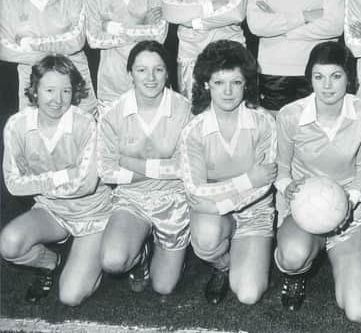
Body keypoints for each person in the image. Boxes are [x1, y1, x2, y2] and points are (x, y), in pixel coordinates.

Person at [274, 41, 361, 322]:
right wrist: (287, 187)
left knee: (358, 311)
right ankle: (297, 273)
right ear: (310, 78)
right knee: (293, 255)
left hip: (348, 210)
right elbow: (280, 169)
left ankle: (342, 259)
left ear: (349, 78)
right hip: (303, 209)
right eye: (319, 77)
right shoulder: (290, 115)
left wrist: (349, 202)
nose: (327, 86)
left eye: (336, 76)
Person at [0, 55, 111, 305]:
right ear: (34, 90)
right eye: (49, 90)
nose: (57, 99)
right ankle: (50, 262)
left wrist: (38, 181)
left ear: (74, 93)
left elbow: (86, 184)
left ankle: (127, 250)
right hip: (51, 210)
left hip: (91, 213)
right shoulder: (16, 125)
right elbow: (13, 184)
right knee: (9, 243)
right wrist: (64, 175)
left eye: (65, 91)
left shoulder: (86, 124)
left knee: (71, 296)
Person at [180, 40, 277, 305]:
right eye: (219, 82)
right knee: (207, 239)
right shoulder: (194, 130)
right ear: (205, 84)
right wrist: (245, 180)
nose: (228, 92)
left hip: (253, 209)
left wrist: (222, 203)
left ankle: (244, 259)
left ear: (247, 84)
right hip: (212, 210)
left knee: (248, 294)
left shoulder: (263, 121)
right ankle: (222, 266)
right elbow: (196, 189)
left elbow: (264, 184)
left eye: (236, 82)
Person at [97, 41, 191, 295]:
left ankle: (162, 244)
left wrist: (129, 163)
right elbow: (106, 171)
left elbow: (185, 168)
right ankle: (140, 257)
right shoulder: (112, 114)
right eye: (141, 70)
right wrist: (158, 169)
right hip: (132, 198)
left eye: (158, 70)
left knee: (164, 287)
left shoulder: (184, 109)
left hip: (174, 199)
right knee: (113, 261)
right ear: (129, 74)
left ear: (168, 73)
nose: (150, 78)